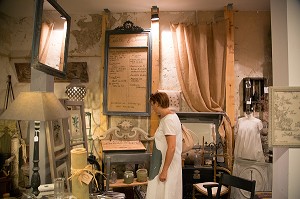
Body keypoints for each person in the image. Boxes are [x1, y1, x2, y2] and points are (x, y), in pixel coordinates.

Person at [146, 92, 182, 199]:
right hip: (165, 162)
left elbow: (171, 147)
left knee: (164, 194)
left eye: (152, 105)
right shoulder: (170, 117)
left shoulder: (169, 120)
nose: (152, 108)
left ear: (157, 103)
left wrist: (164, 171)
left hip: (166, 165)